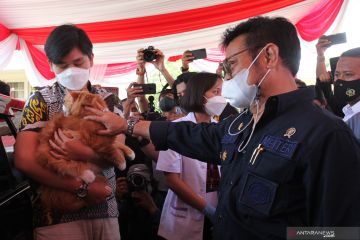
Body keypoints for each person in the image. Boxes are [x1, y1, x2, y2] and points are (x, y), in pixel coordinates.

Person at [85, 17, 360, 240]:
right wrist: (127, 123)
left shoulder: (325, 133)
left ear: (268, 56)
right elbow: (193, 135)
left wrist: (277, 233)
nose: (227, 78)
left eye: (231, 65)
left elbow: (338, 232)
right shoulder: (244, 122)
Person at [15, 24, 121, 240]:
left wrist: (80, 152)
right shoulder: (39, 101)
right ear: (51, 65)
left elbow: (117, 153)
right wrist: (82, 187)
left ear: (91, 58)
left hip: (104, 209)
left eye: (78, 63)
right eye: (62, 66)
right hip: (54, 216)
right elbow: (24, 160)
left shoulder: (108, 100)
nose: (71, 71)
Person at [156, 72, 223, 240]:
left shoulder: (221, 128)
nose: (221, 97)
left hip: (219, 211)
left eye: (221, 91)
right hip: (185, 217)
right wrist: (206, 208)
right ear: (200, 94)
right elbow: (172, 179)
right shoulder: (175, 129)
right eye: (216, 92)